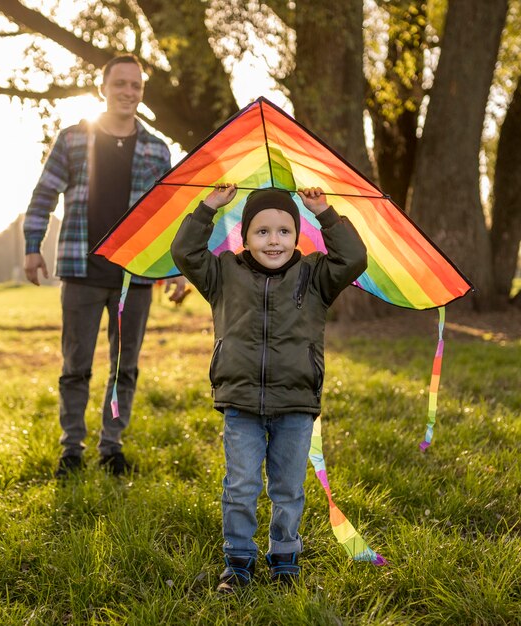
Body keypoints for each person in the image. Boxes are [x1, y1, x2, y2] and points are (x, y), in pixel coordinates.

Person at [171, 185, 367, 591]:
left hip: (295, 404)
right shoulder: (223, 273)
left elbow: (353, 258)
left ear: (298, 236)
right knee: (240, 486)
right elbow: (185, 254)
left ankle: (285, 559)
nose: (273, 240)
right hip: (240, 402)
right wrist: (208, 207)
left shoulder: (315, 276)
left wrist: (324, 213)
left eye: (283, 231)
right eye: (262, 232)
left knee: (287, 488)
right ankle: (239, 561)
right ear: (245, 237)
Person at [23, 54, 187, 478]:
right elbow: (44, 194)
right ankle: (71, 450)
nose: (128, 92)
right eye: (120, 84)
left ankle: (111, 446)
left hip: (134, 275)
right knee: (75, 365)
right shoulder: (73, 138)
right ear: (103, 88)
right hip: (81, 268)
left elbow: (165, 215)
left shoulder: (156, 148)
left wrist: (174, 268)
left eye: (136, 86)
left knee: (124, 366)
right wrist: (32, 244)